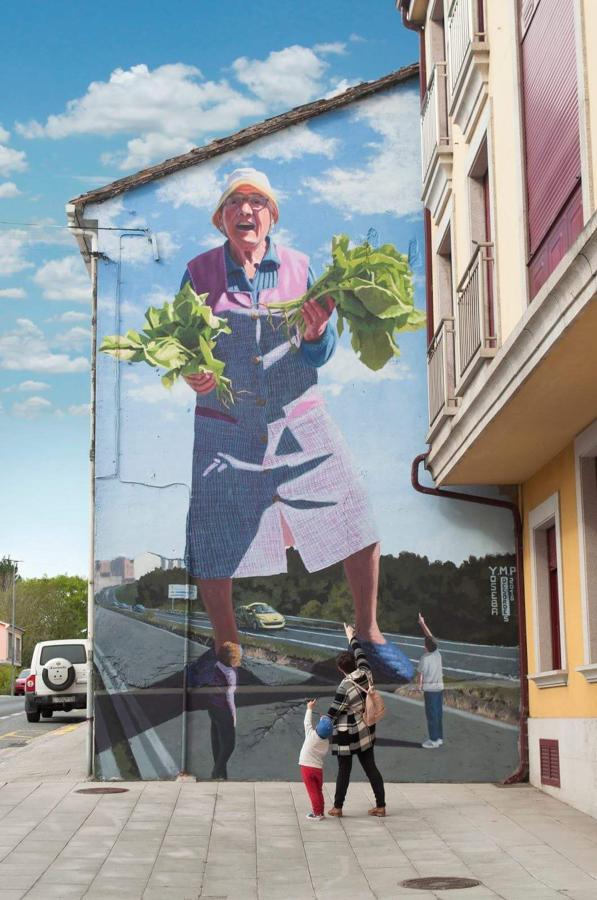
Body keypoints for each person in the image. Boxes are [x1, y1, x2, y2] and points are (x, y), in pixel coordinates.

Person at [181, 167, 413, 684]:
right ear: (221, 219)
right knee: (211, 536)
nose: (247, 211)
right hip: (226, 424)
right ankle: (226, 649)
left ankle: (369, 636)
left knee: (355, 512)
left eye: (257, 202)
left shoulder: (302, 268)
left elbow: (322, 353)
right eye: (236, 203)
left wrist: (316, 334)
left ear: (272, 216)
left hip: (299, 418)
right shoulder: (198, 273)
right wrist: (193, 370)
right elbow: (183, 340)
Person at [326, 623, 386, 817]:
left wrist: (319, 724)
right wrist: (351, 637)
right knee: (371, 767)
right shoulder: (366, 671)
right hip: (366, 728)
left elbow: (334, 712)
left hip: (347, 733)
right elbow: (360, 653)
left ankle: (338, 807)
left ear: (340, 669)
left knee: (344, 770)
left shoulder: (345, 686)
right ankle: (381, 805)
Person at [206, 641, 241, 779]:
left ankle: (222, 775)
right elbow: (229, 696)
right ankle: (216, 773)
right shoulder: (230, 673)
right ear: (231, 657)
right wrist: (233, 716)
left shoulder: (216, 666)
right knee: (229, 744)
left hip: (212, 708)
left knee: (217, 742)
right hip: (223, 709)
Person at [299, 699, 332, 821]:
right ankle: (321, 811)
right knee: (318, 790)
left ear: (317, 728)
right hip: (318, 769)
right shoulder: (325, 742)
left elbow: (306, 722)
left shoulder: (311, 735)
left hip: (307, 768)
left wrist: (309, 708)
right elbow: (325, 729)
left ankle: (317, 813)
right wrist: (326, 721)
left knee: (312, 792)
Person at [417, 612, 444, 749]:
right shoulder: (437, 653)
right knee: (438, 713)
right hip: (439, 688)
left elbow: (420, 674)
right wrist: (422, 623)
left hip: (430, 690)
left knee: (431, 715)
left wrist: (420, 686)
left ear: (426, 646)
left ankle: (433, 740)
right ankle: (439, 738)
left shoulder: (424, 658)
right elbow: (430, 636)